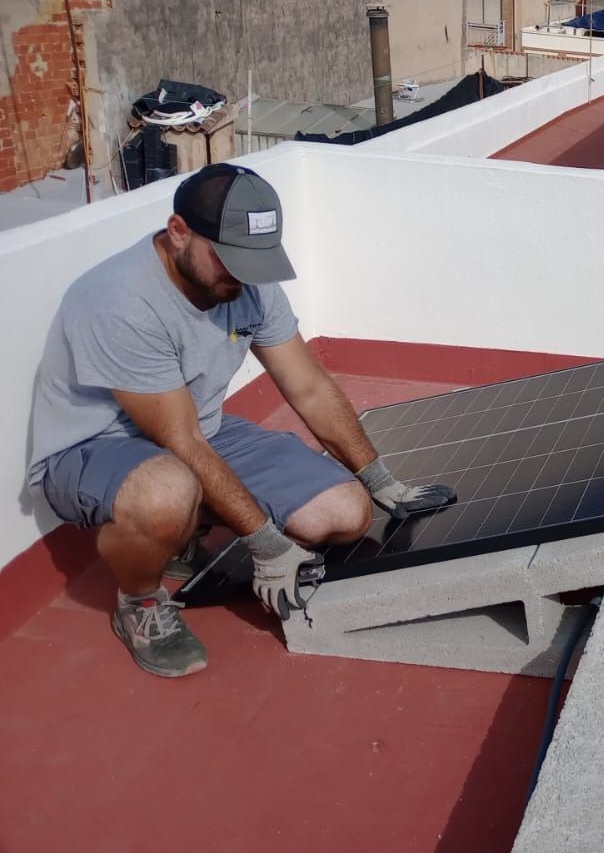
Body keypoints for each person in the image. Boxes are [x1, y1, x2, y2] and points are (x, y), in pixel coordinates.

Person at [27, 163, 455, 678]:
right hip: (94, 449)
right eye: (230, 258)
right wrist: (266, 545)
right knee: (166, 490)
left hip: (197, 430)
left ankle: (183, 534)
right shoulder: (118, 299)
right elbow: (177, 439)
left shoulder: (246, 281)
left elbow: (309, 387)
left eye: (256, 260)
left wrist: (379, 479)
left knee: (344, 513)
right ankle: (139, 602)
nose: (244, 275)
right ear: (178, 231)